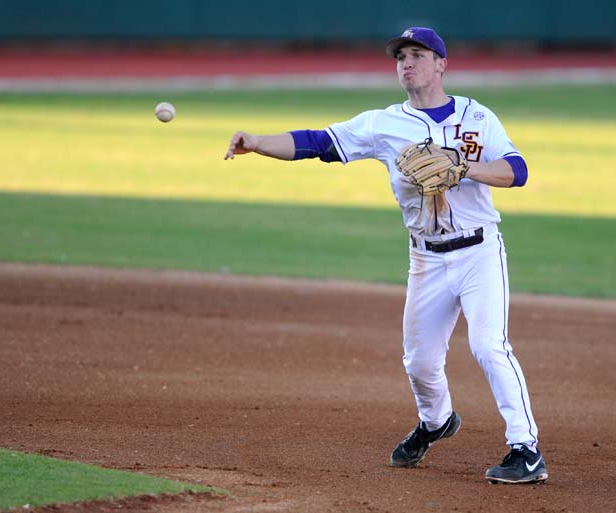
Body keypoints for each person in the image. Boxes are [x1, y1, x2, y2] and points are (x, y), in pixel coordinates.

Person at [224, 27, 547, 484]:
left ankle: (525, 449)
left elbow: (518, 171)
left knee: (488, 345)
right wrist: (257, 142)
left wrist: (462, 167)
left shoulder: (478, 116)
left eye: (418, 54)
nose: (407, 63)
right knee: (418, 361)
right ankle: (436, 422)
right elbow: (318, 142)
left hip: (479, 251)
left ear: (441, 64)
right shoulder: (383, 124)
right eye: (401, 57)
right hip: (426, 260)